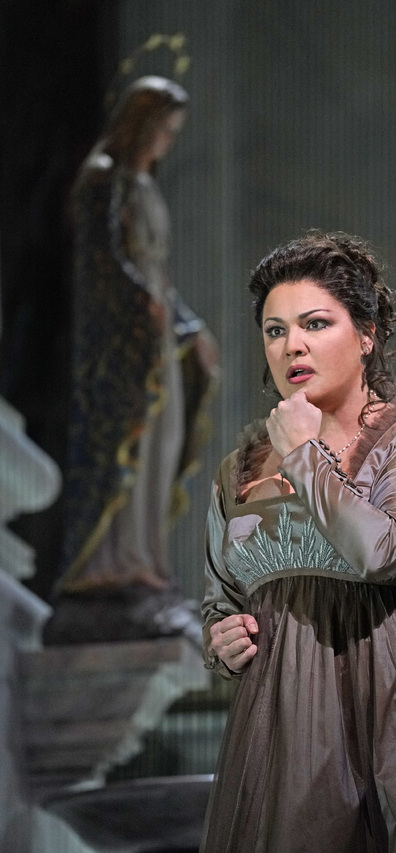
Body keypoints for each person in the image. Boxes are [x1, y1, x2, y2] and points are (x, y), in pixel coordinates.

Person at [200, 232, 396, 852]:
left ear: (366, 334)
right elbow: (220, 599)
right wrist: (222, 642)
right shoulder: (238, 470)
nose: (292, 344)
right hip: (285, 714)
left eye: (315, 323)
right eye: (274, 330)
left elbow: (378, 552)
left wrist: (304, 455)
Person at [43, 76, 219, 646]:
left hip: (156, 341)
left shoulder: (143, 183)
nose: (165, 142)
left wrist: (190, 330)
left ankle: (144, 566)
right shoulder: (102, 181)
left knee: (160, 450)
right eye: (162, 130)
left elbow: (158, 277)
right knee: (128, 448)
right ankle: (105, 570)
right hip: (120, 348)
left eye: (172, 134)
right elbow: (105, 263)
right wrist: (139, 302)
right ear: (137, 124)